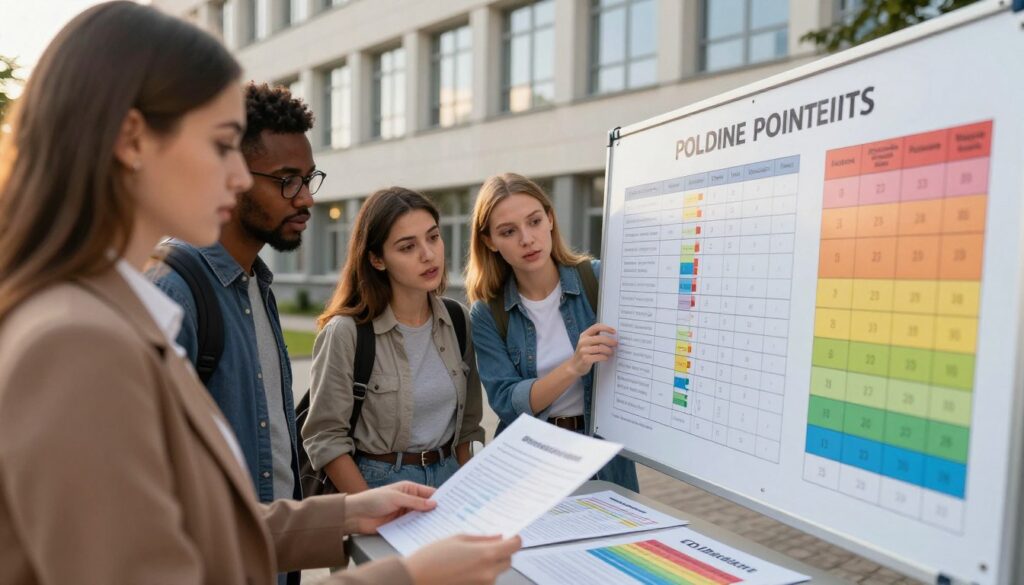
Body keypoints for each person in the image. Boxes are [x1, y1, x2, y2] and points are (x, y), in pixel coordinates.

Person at [0, 4, 518, 584]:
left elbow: (199, 526)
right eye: (222, 144)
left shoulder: (114, 316)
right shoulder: (76, 343)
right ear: (132, 139)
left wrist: (347, 511)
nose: (240, 177)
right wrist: (412, 577)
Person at [150, 82, 319, 510]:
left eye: (308, 178)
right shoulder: (173, 293)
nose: (306, 198)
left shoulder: (257, 285)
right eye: (286, 181)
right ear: (232, 179)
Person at [303, 187, 485, 494]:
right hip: (379, 483)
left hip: (452, 482)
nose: (428, 254)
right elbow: (325, 437)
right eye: (407, 247)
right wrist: (369, 507)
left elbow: (467, 426)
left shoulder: (457, 320)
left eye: (433, 237)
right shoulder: (346, 332)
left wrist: (470, 493)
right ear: (377, 259)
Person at [464, 172, 639, 490]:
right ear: (490, 241)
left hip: (603, 459)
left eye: (533, 221)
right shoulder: (487, 312)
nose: (527, 239)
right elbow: (507, 402)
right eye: (508, 231)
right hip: (528, 464)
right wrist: (574, 367)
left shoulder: (597, 280)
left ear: (550, 219)